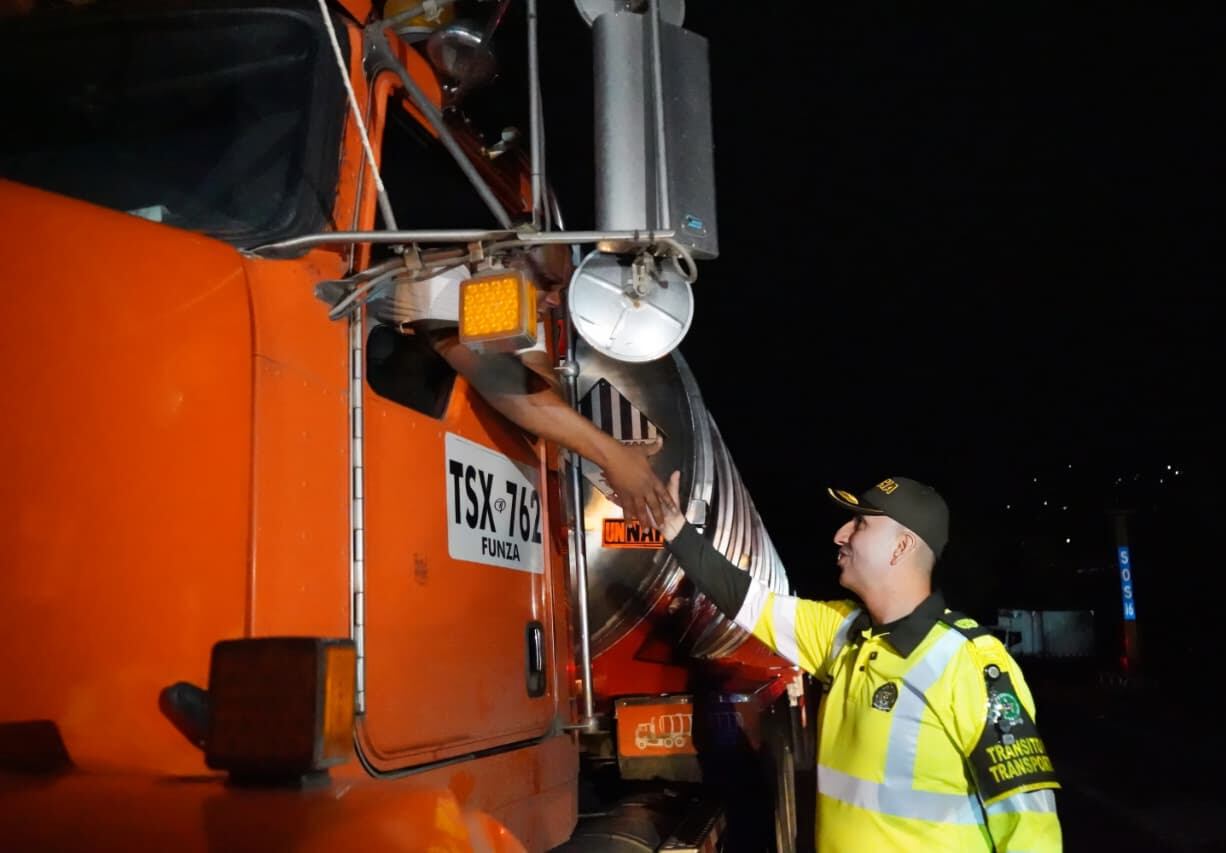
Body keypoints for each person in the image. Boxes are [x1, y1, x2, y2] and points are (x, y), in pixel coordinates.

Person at [651, 472, 1063, 852]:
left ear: (901, 546)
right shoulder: (842, 632)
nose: (840, 535)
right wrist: (675, 530)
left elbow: (1031, 828)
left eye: (861, 524)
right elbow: (745, 599)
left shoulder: (969, 663)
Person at [370, 242, 668, 523]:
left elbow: (546, 389)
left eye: (560, 290)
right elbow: (507, 385)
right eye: (547, 283)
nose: (554, 300)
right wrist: (613, 457)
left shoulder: (514, 303)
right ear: (500, 261)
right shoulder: (438, 276)